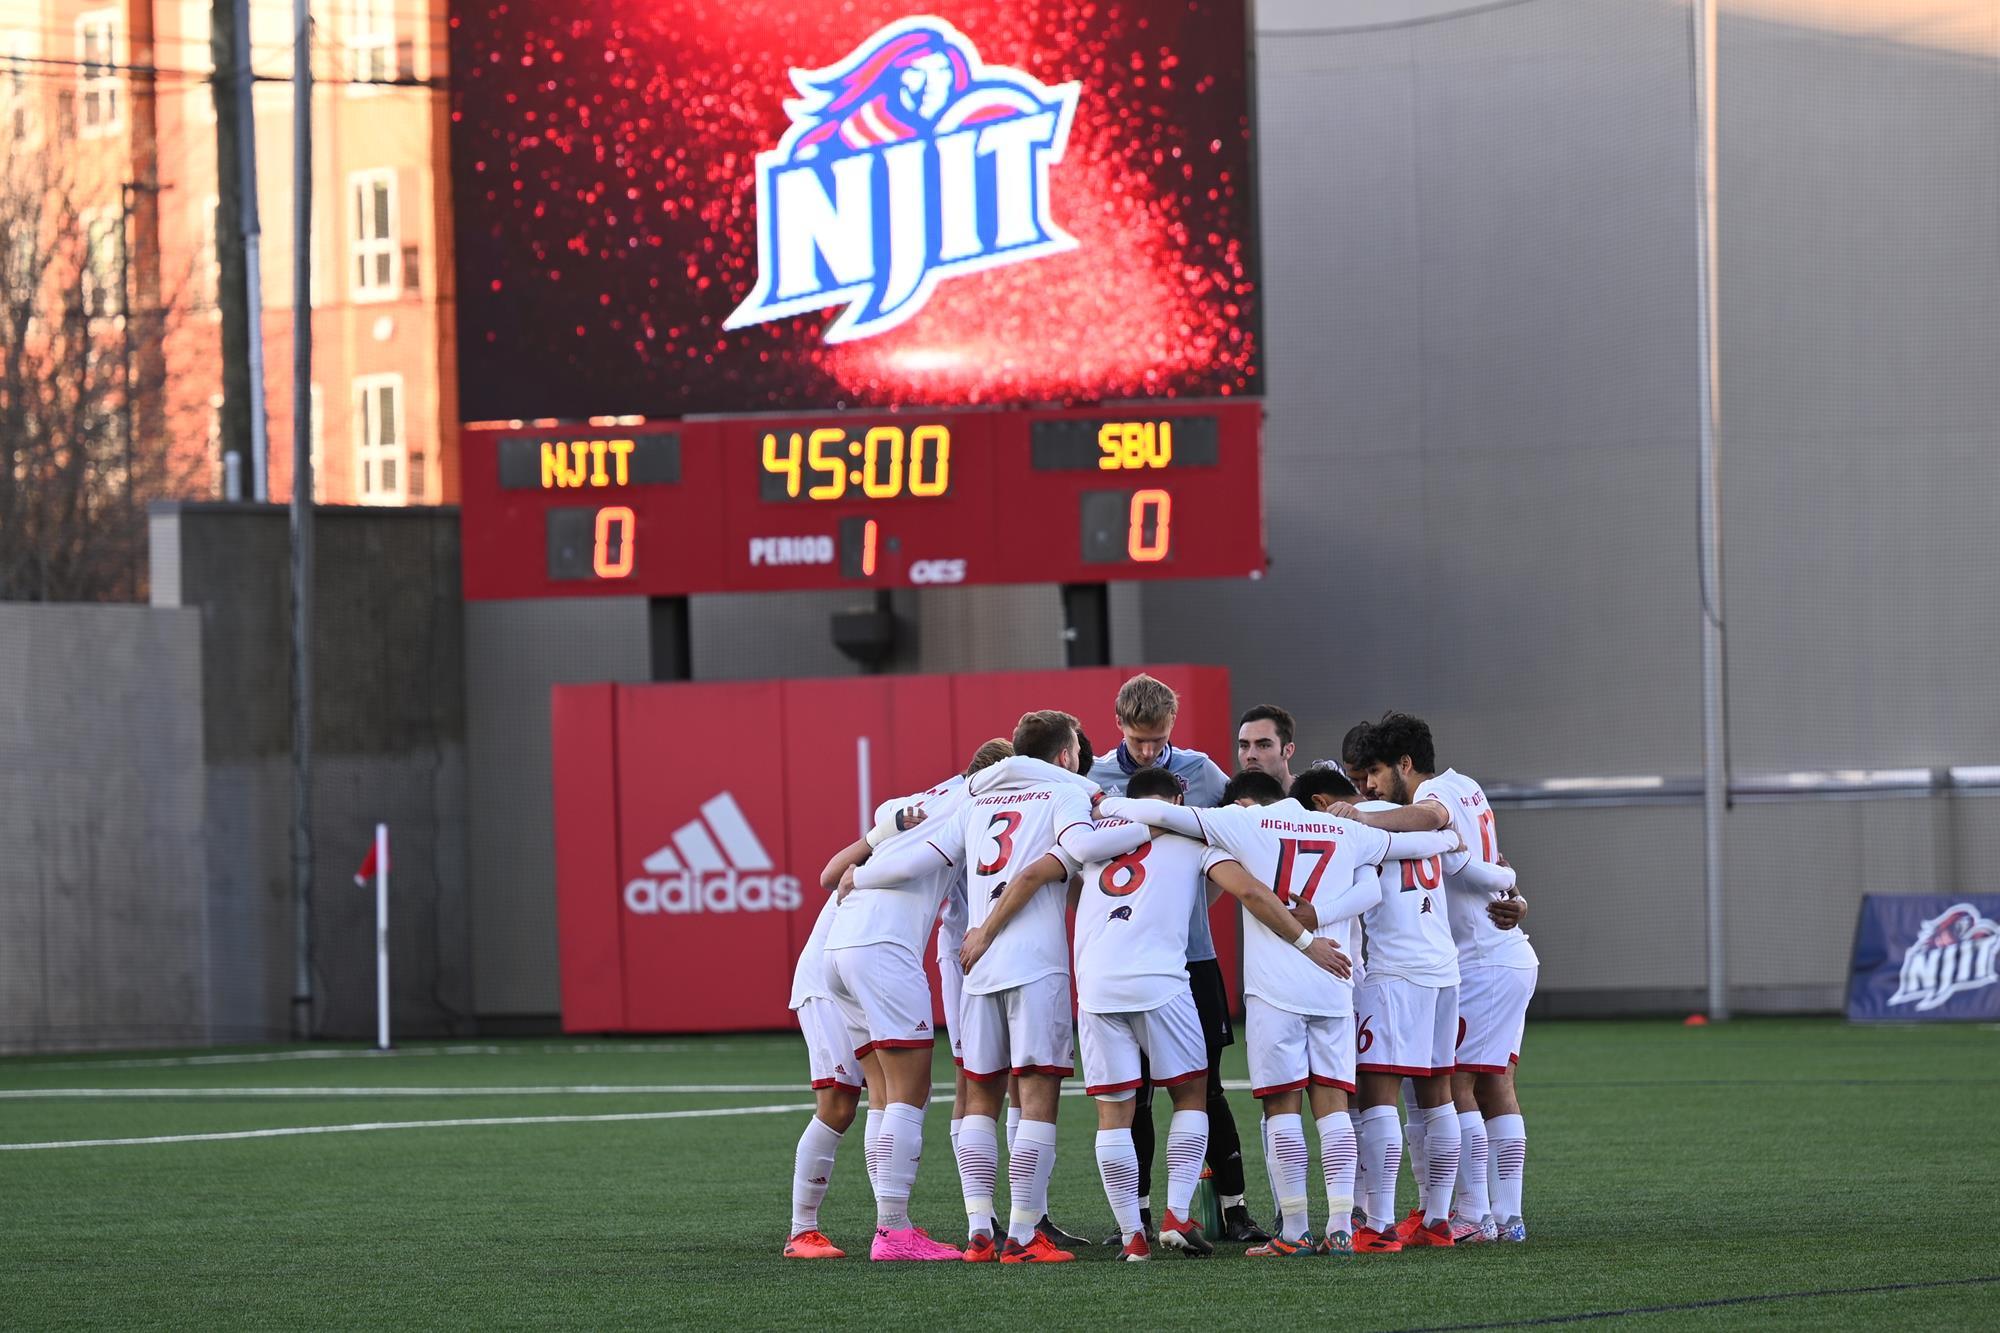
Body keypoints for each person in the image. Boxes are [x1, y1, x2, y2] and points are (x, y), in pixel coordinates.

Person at [1100, 769, 1461, 1256]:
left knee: (1281, 1106)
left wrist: (1104, 804)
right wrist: (1452, 834)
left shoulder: (1248, 824)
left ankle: (1294, 1231)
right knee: (1332, 1106)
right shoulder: (1347, 831)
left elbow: (1163, 813)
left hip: (1275, 990)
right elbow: (1410, 850)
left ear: (1258, 803)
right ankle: (1339, 1225)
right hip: (1334, 981)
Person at [849, 710, 1098, 1263]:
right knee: (1036, 1094)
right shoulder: (1069, 793)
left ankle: (979, 1230)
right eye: (1077, 751)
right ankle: (1025, 1235)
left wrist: (857, 873)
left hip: (976, 966)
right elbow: (1078, 850)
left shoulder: (978, 799)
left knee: (980, 1094)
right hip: (1035, 962)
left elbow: (922, 857)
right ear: (1063, 756)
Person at [1340, 713, 1536, 1244]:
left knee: (1457, 1088)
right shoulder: (1468, 784)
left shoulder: (1439, 795)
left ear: (1406, 764)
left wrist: (1357, 818)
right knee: (1489, 1085)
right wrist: (1512, 886)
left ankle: (1472, 1215)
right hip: (1493, 956)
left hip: (1477, 960)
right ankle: (1496, 1215)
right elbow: (1477, 860)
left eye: (1377, 774)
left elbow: (1430, 819)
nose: (1372, 788)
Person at [817, 742, 1017, 1261]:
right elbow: (917, 863)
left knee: (882, 1093)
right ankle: (893, 1231)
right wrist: (860, 875)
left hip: (838, 948)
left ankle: (890, 1226)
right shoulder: (972, 805)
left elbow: (837, 865)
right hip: (884, 948)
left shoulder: (915, 800)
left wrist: (853, 874)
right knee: (910, 1090)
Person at [1084, 675, 1262, 1244]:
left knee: (1205, 1085)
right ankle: (1133, 1217)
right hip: (1126, 955)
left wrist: (1194, 897)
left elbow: (1244, 828)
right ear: (1117, 726)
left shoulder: (1202, 771)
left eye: (1156, 740)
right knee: (1130, 1094)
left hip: (1191, 956)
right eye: (1137, 741)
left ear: (1171, 728)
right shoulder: (1091, 779)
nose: (1145, 752)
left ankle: (1233, 1207)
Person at [1290, 764, 1464, 1250]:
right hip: (1444, 969)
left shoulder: (1353, 819)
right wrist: (1448, 841)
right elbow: (1431, 843)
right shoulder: (1418, 818)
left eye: (1370, 773)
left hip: (1396, 972)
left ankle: (1380, 1224)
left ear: (1322, 803)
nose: (1366, 785)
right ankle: (1437, 1219)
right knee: (1438, 1097)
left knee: (1377, 1095)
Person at [780, 858, 868, 1258]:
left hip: (856, 982)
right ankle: (801, 1233)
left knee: (893, 1095)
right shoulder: (890, 851)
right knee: (837, 1105)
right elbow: (836, 876)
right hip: (829, 984)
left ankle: (894, 1224)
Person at [1235, 704, 1298, 790]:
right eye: (1244, 746)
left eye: (1263, 746)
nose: (1250, 755)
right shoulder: (1229, 801)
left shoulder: (1314, 799)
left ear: (1288, 751)